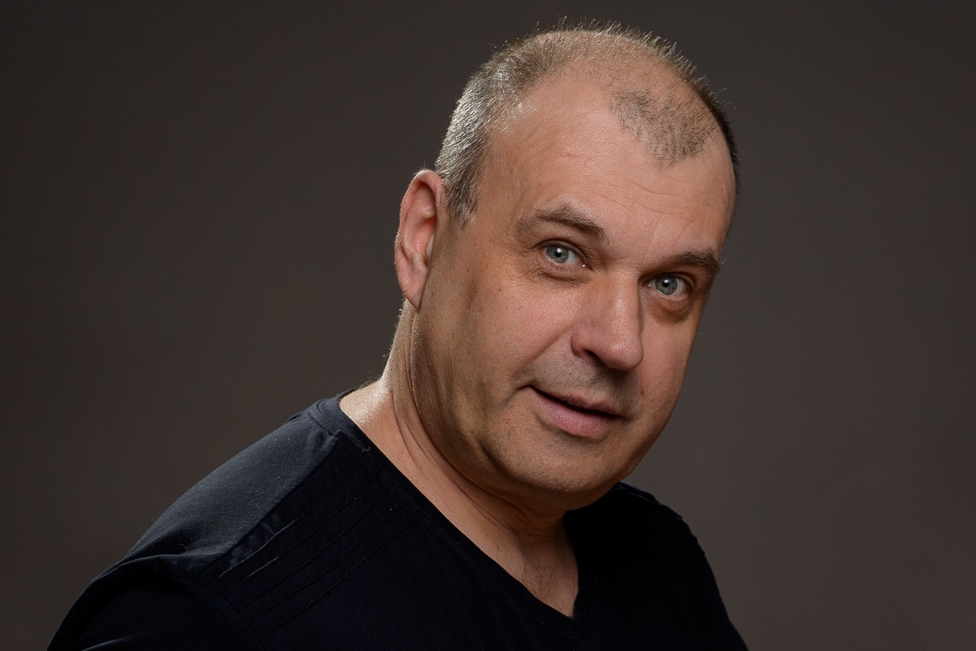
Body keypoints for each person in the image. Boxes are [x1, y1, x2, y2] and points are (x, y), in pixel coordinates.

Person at [51, 22, 746, 650]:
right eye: (561, 253)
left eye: (669, 284)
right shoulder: (208, 618)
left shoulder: (663, 567)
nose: (620, 343)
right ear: (425, 239)